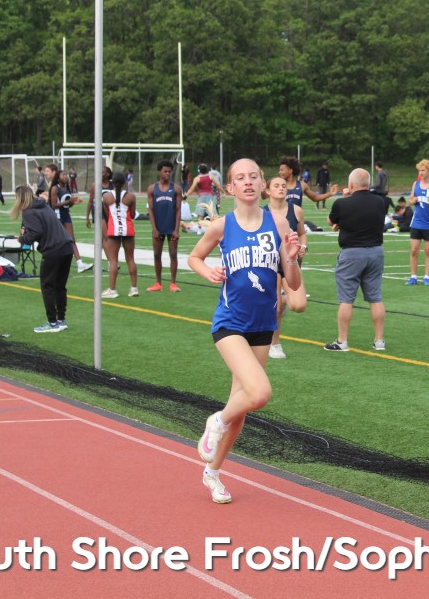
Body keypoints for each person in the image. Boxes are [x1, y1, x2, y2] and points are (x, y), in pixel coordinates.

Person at [189, 158, 305, 504]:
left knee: (241, 408)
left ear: (263, 184)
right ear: (231, 187)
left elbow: (292, 282)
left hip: (263, 325)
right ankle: (216, 420)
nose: (249, 182)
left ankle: (212, 473)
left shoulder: (278, 222)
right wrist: (208, 272)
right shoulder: (222, 226)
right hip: (230, 323)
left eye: (254, 176)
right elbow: (194, 257)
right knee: (260, 392)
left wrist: (292, 257)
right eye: (240, 178)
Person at [324, 168, 386, 352]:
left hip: (352, 253)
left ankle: (342, 341)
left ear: (351, 184)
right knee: (375, 298)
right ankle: (379, 340)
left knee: (346, 299)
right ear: (368, 183)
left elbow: (331, 221)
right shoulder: (380, 202)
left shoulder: (342, 204)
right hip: (376, 252)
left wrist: (344, 200)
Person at [9, 185, 74, 333]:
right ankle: (61, 319)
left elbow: (35, 233)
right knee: (60, 286)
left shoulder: (29, 212)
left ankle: (52, 322)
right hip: (66, 247)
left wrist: (22, 239)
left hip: (53, 250)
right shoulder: (44, 206)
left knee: (47, 286)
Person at [265, 176, 307, 359]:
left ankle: (283, 299)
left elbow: (302, 233)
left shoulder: (296, 210)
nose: (281, 188)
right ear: (268, 191)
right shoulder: (262, 213)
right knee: (275, 308)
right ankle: (274, 344)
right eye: (276, 186)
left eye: (283, 185)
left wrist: (303, 246)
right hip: (270, 264)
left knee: (298, 305)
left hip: (290, 264)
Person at [46, 164, 92, 274]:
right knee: (58, 241)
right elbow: (53, 205)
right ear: (58, 178)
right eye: (63, 175)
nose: (66, 176)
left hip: (66, 215)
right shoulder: (55, 188)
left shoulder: (67, 188)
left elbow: (67, 205)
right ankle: (53, 263)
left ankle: (80, 264)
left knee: (71, 240)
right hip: (57, 216)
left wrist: (73, 202)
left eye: (66, 175)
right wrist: (68, 201)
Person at [146, 159, 183, 293]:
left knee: (173, 254)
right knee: (157, 255)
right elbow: (150, 210)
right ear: (159, 172)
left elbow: (178, 210)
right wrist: (154, 229)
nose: (168, 174)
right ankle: (158, 283)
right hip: (158, 227)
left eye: (169, 171)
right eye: (165, 171)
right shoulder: (152, 189)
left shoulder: (176, 189)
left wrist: (176, 229)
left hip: (171, 227)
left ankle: (173, 283)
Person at [101, 171, 139, 299]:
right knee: (130, 259)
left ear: (112, 182)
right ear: (125, 182)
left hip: (113, 231)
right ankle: (134, 288)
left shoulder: (106, 197)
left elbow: (107, 214)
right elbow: (132, 215)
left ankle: (112, 290)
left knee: (113, 261)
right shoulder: (131, 196)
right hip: (128, 230)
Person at [85, 165, 113, 234]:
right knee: (105, 235)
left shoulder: (112, 185)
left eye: (102, 172)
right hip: (98, 210)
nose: (100, 174)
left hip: (110, 210)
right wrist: (87, 217)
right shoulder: (95, 185)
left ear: (108, 174)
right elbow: (90, 201)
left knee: (109, 234)